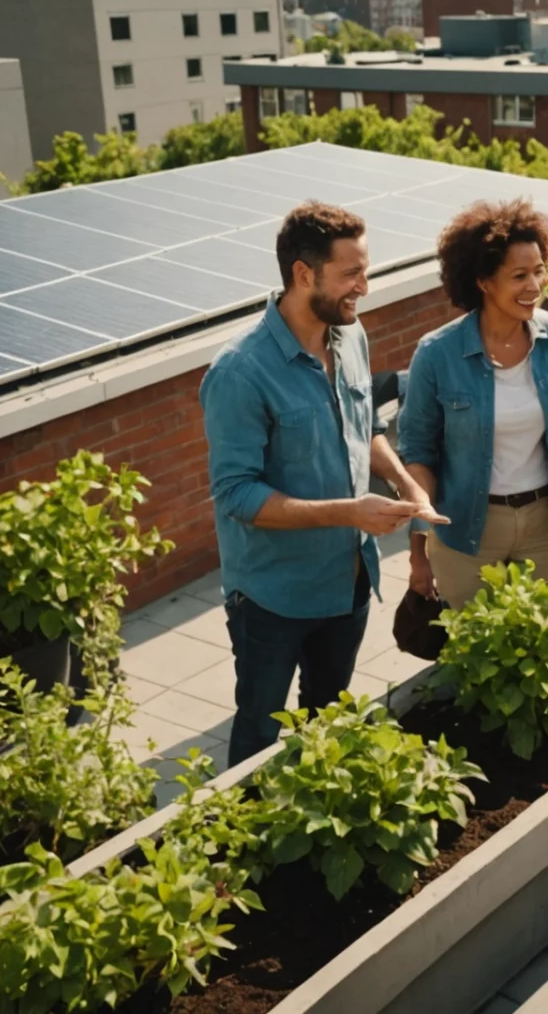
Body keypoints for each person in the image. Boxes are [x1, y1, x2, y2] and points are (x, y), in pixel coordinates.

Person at [200, 202, 442, 766]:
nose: (364, 287)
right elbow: (236, 495)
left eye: (366, 270)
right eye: (351, 273)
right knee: (259, 735)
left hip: (347, 582)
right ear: (303, 274)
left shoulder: (349, 338)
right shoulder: (239, 371)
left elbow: (365, 427)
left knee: (327, 724)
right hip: (272, 598)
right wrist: (349, 512)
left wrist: (405, 482)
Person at [398, 199, 548, 612]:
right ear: (483, 281)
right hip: (466, 530)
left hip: (545, 525)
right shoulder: (437, 353)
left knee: (535, 638)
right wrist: (417, 550)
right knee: (472, 643)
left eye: (539, 271)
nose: (535, 285)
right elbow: (418, 453)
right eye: (519, 276)